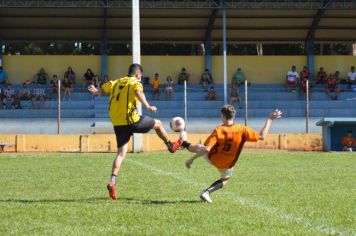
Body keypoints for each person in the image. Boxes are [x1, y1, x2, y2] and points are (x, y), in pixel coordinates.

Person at [88, 63, 183, 200]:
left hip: (117, 122)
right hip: (131, 120)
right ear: (138, 74)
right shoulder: (135, 82)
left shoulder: (116, 82)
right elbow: (138, 92)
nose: (141, 78)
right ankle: (170, 145)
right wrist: (148, 106)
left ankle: (112, 181)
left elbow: (103, 90)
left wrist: (96, 91)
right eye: (141, 76)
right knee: (158, 124)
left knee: (121, 153)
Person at [182, 105, 282, 203]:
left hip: (212, 158)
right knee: (225, 179)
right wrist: (270, 119)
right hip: (227, 164)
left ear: (222, 116)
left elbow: (206, 149)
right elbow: (261, 136)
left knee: (200, 147)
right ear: (233, 116)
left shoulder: (218, 130)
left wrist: (191, 160)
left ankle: (184, 143)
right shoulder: (242, 129)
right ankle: (207, 192)